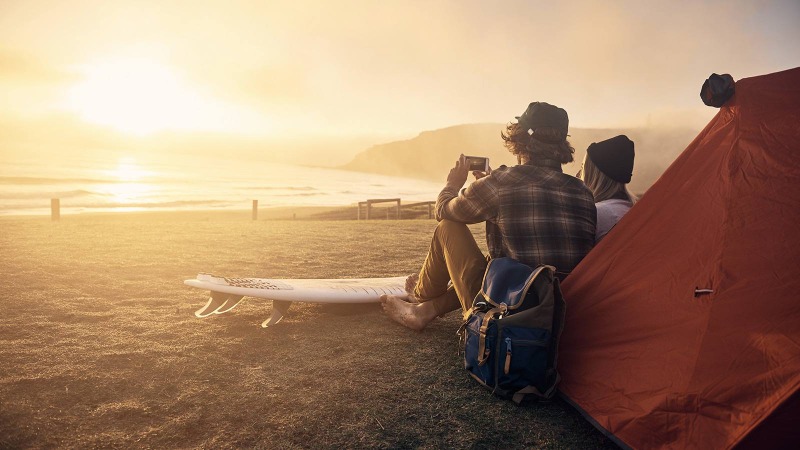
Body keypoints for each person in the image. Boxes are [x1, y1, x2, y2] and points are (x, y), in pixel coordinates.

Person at [381, 102, 597, 331]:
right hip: (561, 317)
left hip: (505, 315)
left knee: (448, 228)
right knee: (499, 262)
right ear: (562, 143)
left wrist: (452, 185)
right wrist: (493, 185)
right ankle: (426, 310)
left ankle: (419, 296)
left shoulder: (502, 182)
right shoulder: (583, 191)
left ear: (519, 139)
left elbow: (444, 210)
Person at [578, 135, 637, 242]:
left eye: (583, 168)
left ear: (594, 175)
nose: (578, 174)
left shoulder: (597, 214)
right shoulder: (630, 209)